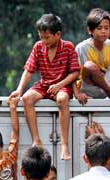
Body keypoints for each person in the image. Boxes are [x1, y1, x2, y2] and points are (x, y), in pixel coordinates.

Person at [9, 14, 80, 160]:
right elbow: (28, 70)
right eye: (41, 37)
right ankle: (36, 140)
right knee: (27, 98)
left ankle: (64, 144)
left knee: (62, 99)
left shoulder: (68, 47)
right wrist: (19, 89)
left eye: (47, 37)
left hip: (62, 85)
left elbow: (74, 73)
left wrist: (59, 85)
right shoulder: (38, 46)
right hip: (44, 84)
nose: (43, 40)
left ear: (58, 34)